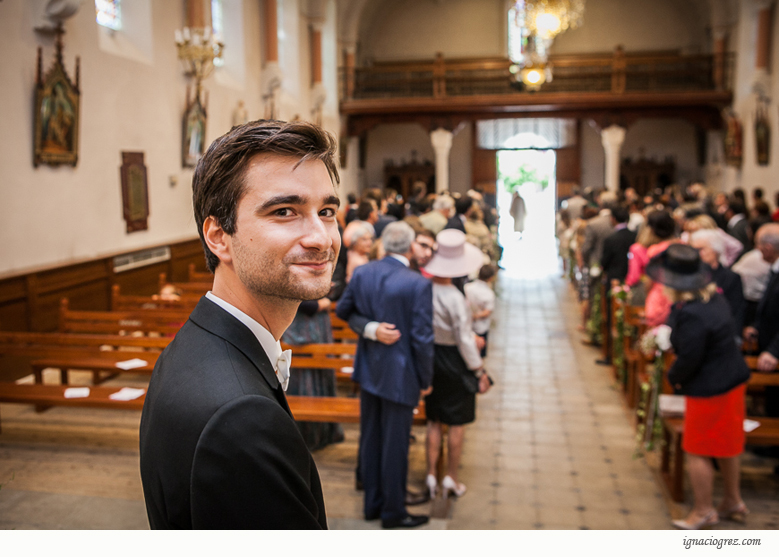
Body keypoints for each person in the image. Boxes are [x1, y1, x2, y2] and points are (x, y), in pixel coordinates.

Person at [139, 120, 340, 529]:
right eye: (285, 211)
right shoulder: (240, 418)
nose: (321, 237)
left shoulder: (197, 342)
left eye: (327, 211)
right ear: (218, 236)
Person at [336, 221, 435, 529]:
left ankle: (372, 505)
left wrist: (369, 329)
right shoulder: (417, 283)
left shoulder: (365, 273)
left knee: (371, 438)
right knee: (395, 444)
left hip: (369, 369)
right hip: (400, 373)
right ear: (408, 247)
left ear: (383, 244)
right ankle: (393, 512)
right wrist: (426, 379)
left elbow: (343, 311)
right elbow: (422, 338)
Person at [645, 244, 751, 530]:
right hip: (731, 381)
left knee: (698, 449)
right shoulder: (713, 299)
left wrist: (674, 378)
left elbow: (691, 357)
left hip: (710, 387)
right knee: (727, 445)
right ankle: (732, 500)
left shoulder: (692, 313)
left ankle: (703, 510)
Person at [423, 230, 492, 500]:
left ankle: (431, 475)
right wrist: (479, 370)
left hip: (431, 357)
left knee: (433, 420)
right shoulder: (454, 296)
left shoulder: (423, 289)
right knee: (456, 424)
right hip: (454, 360)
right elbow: (464, 339)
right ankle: (451, 477)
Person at [281, 296, 344, 451]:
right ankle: (303, 434)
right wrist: (321, 303)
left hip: (318, 330)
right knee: (300, 381)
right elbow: (307, 305)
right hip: (299, 330)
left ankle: (322, 432)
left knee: (320, 376)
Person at [744, 223, 779, 419]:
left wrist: (774, 351)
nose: (756, 249)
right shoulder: (774, 268)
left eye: (757, 245)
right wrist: (756, 327)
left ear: (768, 248)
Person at [689, 229, 745, 335]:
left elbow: (736, 312)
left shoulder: (731, 277)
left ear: (716, 250)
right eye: (693, 250)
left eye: (701, 249)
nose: (696, 254)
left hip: (721, 335)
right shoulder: (691, 276)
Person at [464, 264, 497, 357]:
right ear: (491, 278)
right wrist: (475, 316)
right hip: (480, 327)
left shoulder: (467, 287)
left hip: (468, 324)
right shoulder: (488, 294)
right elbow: (487, 312)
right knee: (479, 353)